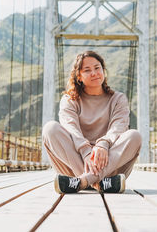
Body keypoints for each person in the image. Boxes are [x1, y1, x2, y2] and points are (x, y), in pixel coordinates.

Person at [42, 50, 142, 194]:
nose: (94, 73)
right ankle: (99, 183)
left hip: (109, 165)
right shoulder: (70, 100)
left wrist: (103, 145)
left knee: (134, 136)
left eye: (97, 68)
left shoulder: (118, 99)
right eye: (87, 70)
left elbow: (118, 127)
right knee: (50, 129)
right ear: (79, 76)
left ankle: (82, 182)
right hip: (83, 166)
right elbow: (71, 129)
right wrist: (86, 152)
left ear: (103, 70)